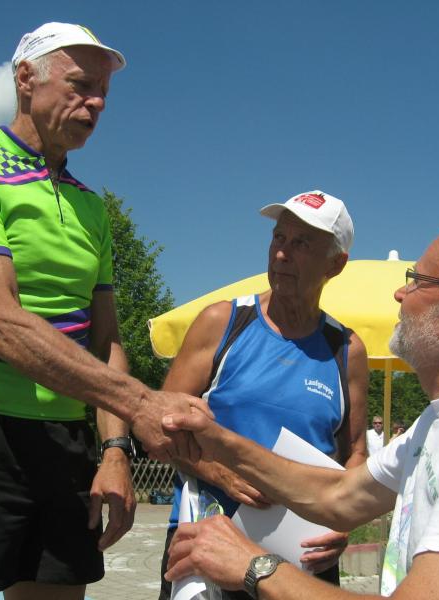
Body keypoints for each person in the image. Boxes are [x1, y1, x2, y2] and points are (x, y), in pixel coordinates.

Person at [0, 22, 204, 600]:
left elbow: (106, 341)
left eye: (103, 92)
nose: (96, 103)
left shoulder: (92, 206)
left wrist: (115, 450)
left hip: (65, 436)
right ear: (25, 78)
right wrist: (140, 403)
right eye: (81, 85)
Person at [162, 223, 439, 600]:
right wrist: (215, 439)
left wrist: (254, 566)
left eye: (418, 280)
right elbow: (339, 496)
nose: (400, 293)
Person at [158, 191, 369, 600]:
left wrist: (344, 520)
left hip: (302, 559)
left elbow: (356, 452)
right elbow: (158, 425)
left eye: (302, 243)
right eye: (279, 238)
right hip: (209, 546)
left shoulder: (346, 350)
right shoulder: (223, 322)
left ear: (336, 264)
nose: (282, 254)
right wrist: (219, 472)